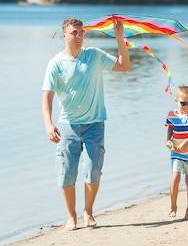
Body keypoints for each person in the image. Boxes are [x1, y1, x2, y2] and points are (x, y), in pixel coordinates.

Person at [42, 16, 130, 231]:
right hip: (67, 127)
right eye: (75, 32)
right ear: (64, 35)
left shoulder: (94, 56)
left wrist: (120, 38)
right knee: (66, 174)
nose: (79, 36)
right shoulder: (55, 64)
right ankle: (70, 216)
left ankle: (88, 211)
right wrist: (48, 124)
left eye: (82, 32)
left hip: (95, 124)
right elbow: (47, 97)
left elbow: (124, 66)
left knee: (93, 170)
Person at [165, 85, 188, 221]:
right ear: (176, 101)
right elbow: (170, 128)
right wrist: (168, 140)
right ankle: (173, 206)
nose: (186, 106)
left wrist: (187, 142)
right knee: (175, 178)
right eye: (183, 103)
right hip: (176, 152)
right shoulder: (171, 115)